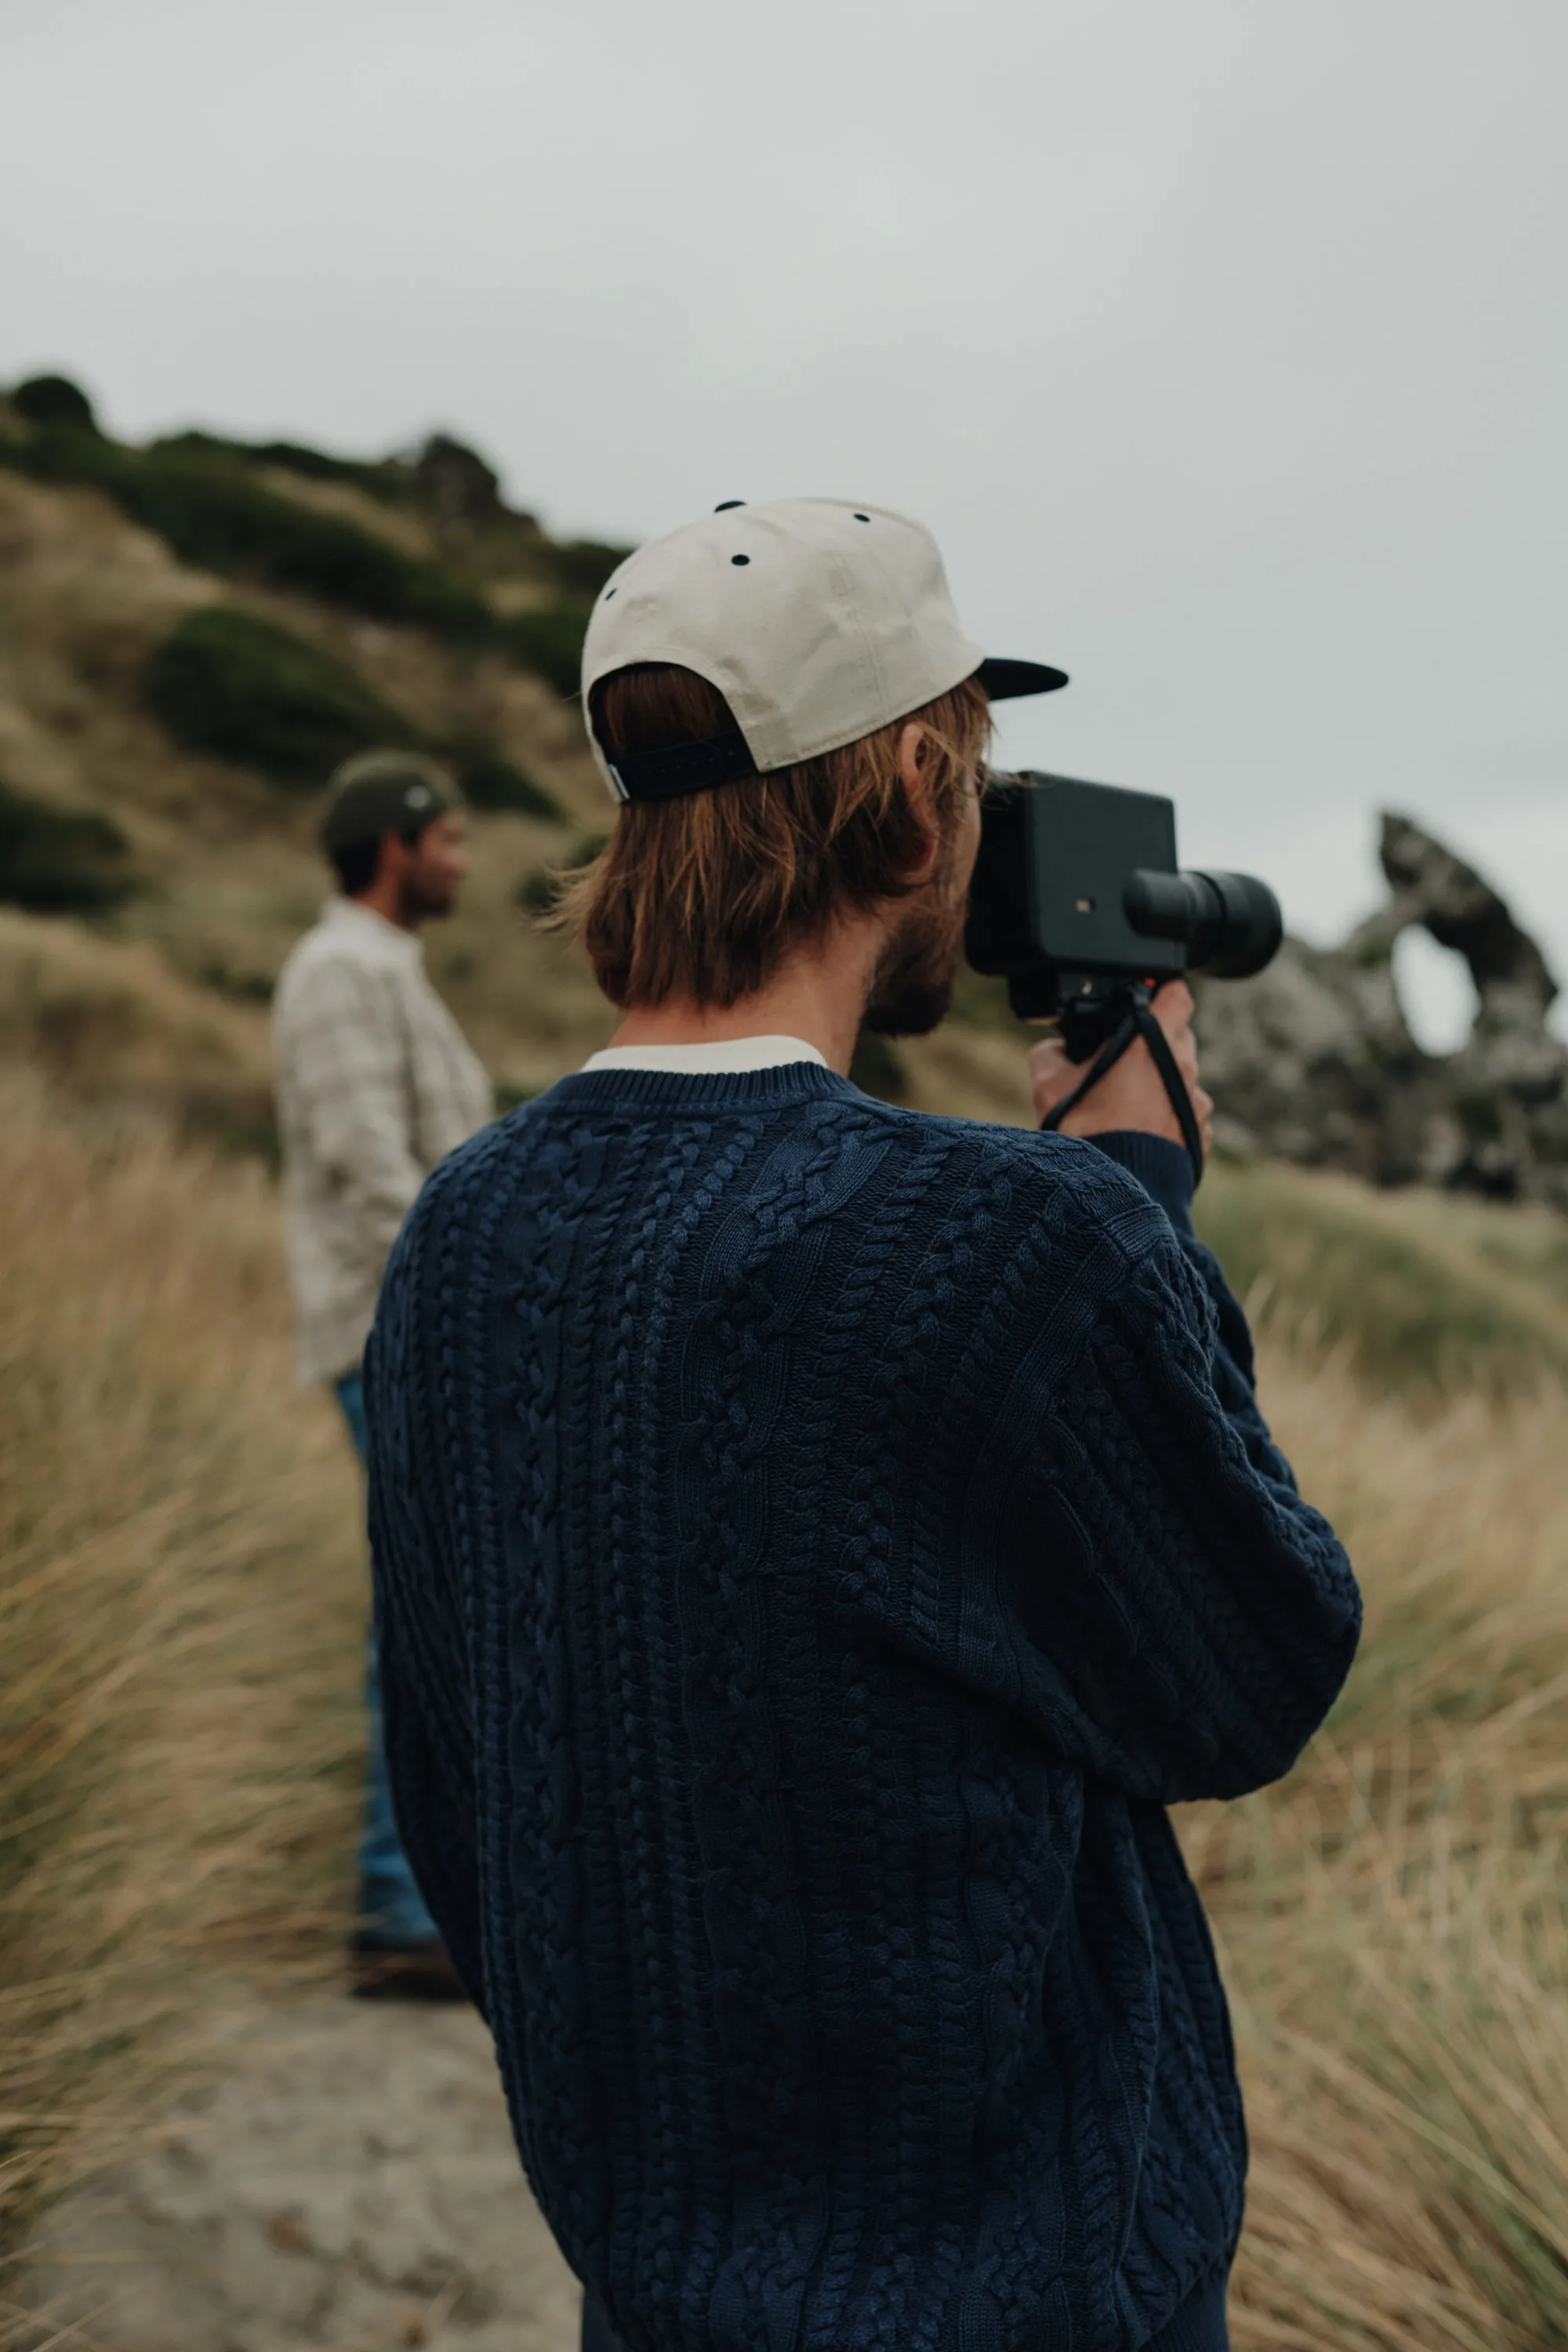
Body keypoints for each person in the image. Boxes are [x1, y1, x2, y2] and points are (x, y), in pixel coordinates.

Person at [365, 501, 1360, 2347]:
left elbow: (460, 1809)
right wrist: (1140, 1200)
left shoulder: (462, 1231)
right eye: (970, 768)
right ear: (912, 793)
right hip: (1031, 2296)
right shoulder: (1014, 1240)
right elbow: (1253, 1669)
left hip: (655, 2285)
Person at [273, 748, 492, 1998]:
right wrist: (463, 1312)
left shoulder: (379, 971)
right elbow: (371, 1171)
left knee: (434, 1605)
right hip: (392, 1334)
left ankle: (414, 1903)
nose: (462, 861)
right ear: (395, 846)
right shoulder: (339, 974)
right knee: (422, 1609)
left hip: (407, 1329)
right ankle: (394, 1910)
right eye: (449, 839)